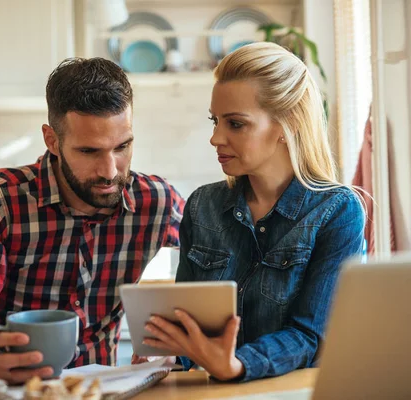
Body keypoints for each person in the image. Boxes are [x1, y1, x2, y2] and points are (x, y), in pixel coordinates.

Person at [0, 57, 184, 384]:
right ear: (52, 140)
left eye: (122, 147)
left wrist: (175, 345)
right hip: (7, 391)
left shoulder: (157, 202)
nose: (110, 171)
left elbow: (221, 267)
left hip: (98, 390)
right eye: (89, 151)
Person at [138, 42, 365, 382]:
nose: (215, 137)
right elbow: (187, 323)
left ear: (287, 126)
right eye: (215, 121)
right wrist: (170, 354)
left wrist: (236, 365)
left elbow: (310, 336)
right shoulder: (202, 206)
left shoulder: (337, 211)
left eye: (236, 124)